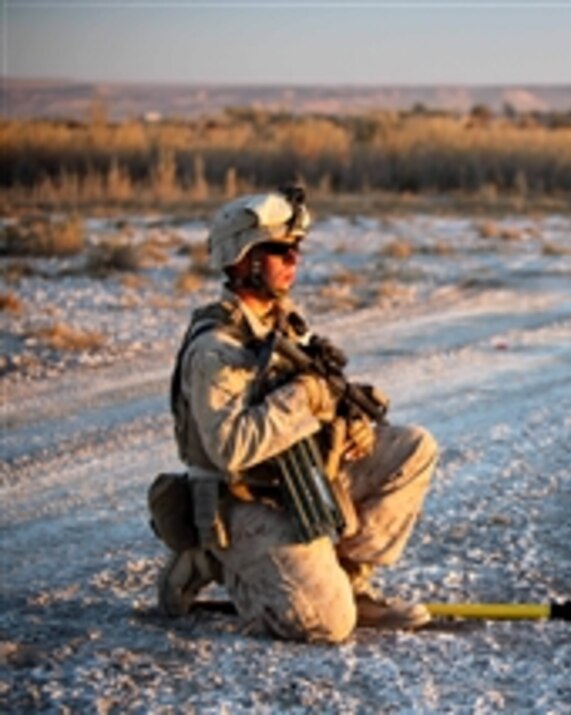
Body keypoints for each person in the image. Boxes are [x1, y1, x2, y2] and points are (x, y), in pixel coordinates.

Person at [153, 186, 438, 644]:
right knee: (328, 625)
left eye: (297, 249)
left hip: (294, 480)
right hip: (241, 499)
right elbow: (230, 448)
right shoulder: (215, 350)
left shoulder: (283, 324)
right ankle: (211, 560)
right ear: (243, 259)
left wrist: (350, 429)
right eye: (280, 250)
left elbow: (315, 404)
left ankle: (350, 580)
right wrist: (306, 399)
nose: (294, 260)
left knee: (413, 448)